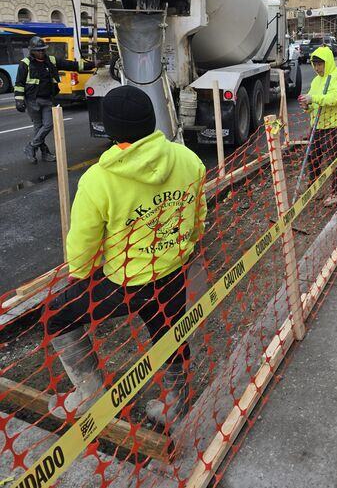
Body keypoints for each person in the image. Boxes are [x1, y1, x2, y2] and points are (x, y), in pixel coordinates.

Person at [47, 85, 207, 429]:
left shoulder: (99, 180)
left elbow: (84, 244)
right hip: (173, 269)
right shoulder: (188, 159)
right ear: (151, 122)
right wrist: (186, 247)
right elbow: (198, 216)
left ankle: (90, 391)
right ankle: (177, 402)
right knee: (169, 331)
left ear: (111, 129)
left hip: (125, 282)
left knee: (57, 317)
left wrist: (82, 274)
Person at [14, 35, 97, 163]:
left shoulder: (51, 60)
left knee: (48, 125)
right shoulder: (25, 63)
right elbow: (19, 83)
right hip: (32, 101)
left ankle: (31, 146)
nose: (42, 52)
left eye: (43, 50)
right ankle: (45, 153)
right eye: (39, 50)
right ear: (32, 51)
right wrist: (19, 100)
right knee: (38, 127)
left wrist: (92, 65)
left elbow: (72, 65)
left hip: (47, 99)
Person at [298, 45, 337, 208]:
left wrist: (312, 98)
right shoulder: (316, 80)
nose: (317, 68)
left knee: (333, 160)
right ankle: (314, 188)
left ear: (327, 62)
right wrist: (307, 105)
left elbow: (334, 98)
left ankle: (335, 193)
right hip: (317, 126)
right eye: (314, 64)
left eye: (320, 64)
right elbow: (315, 102)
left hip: (334, 126)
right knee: (313, 158)